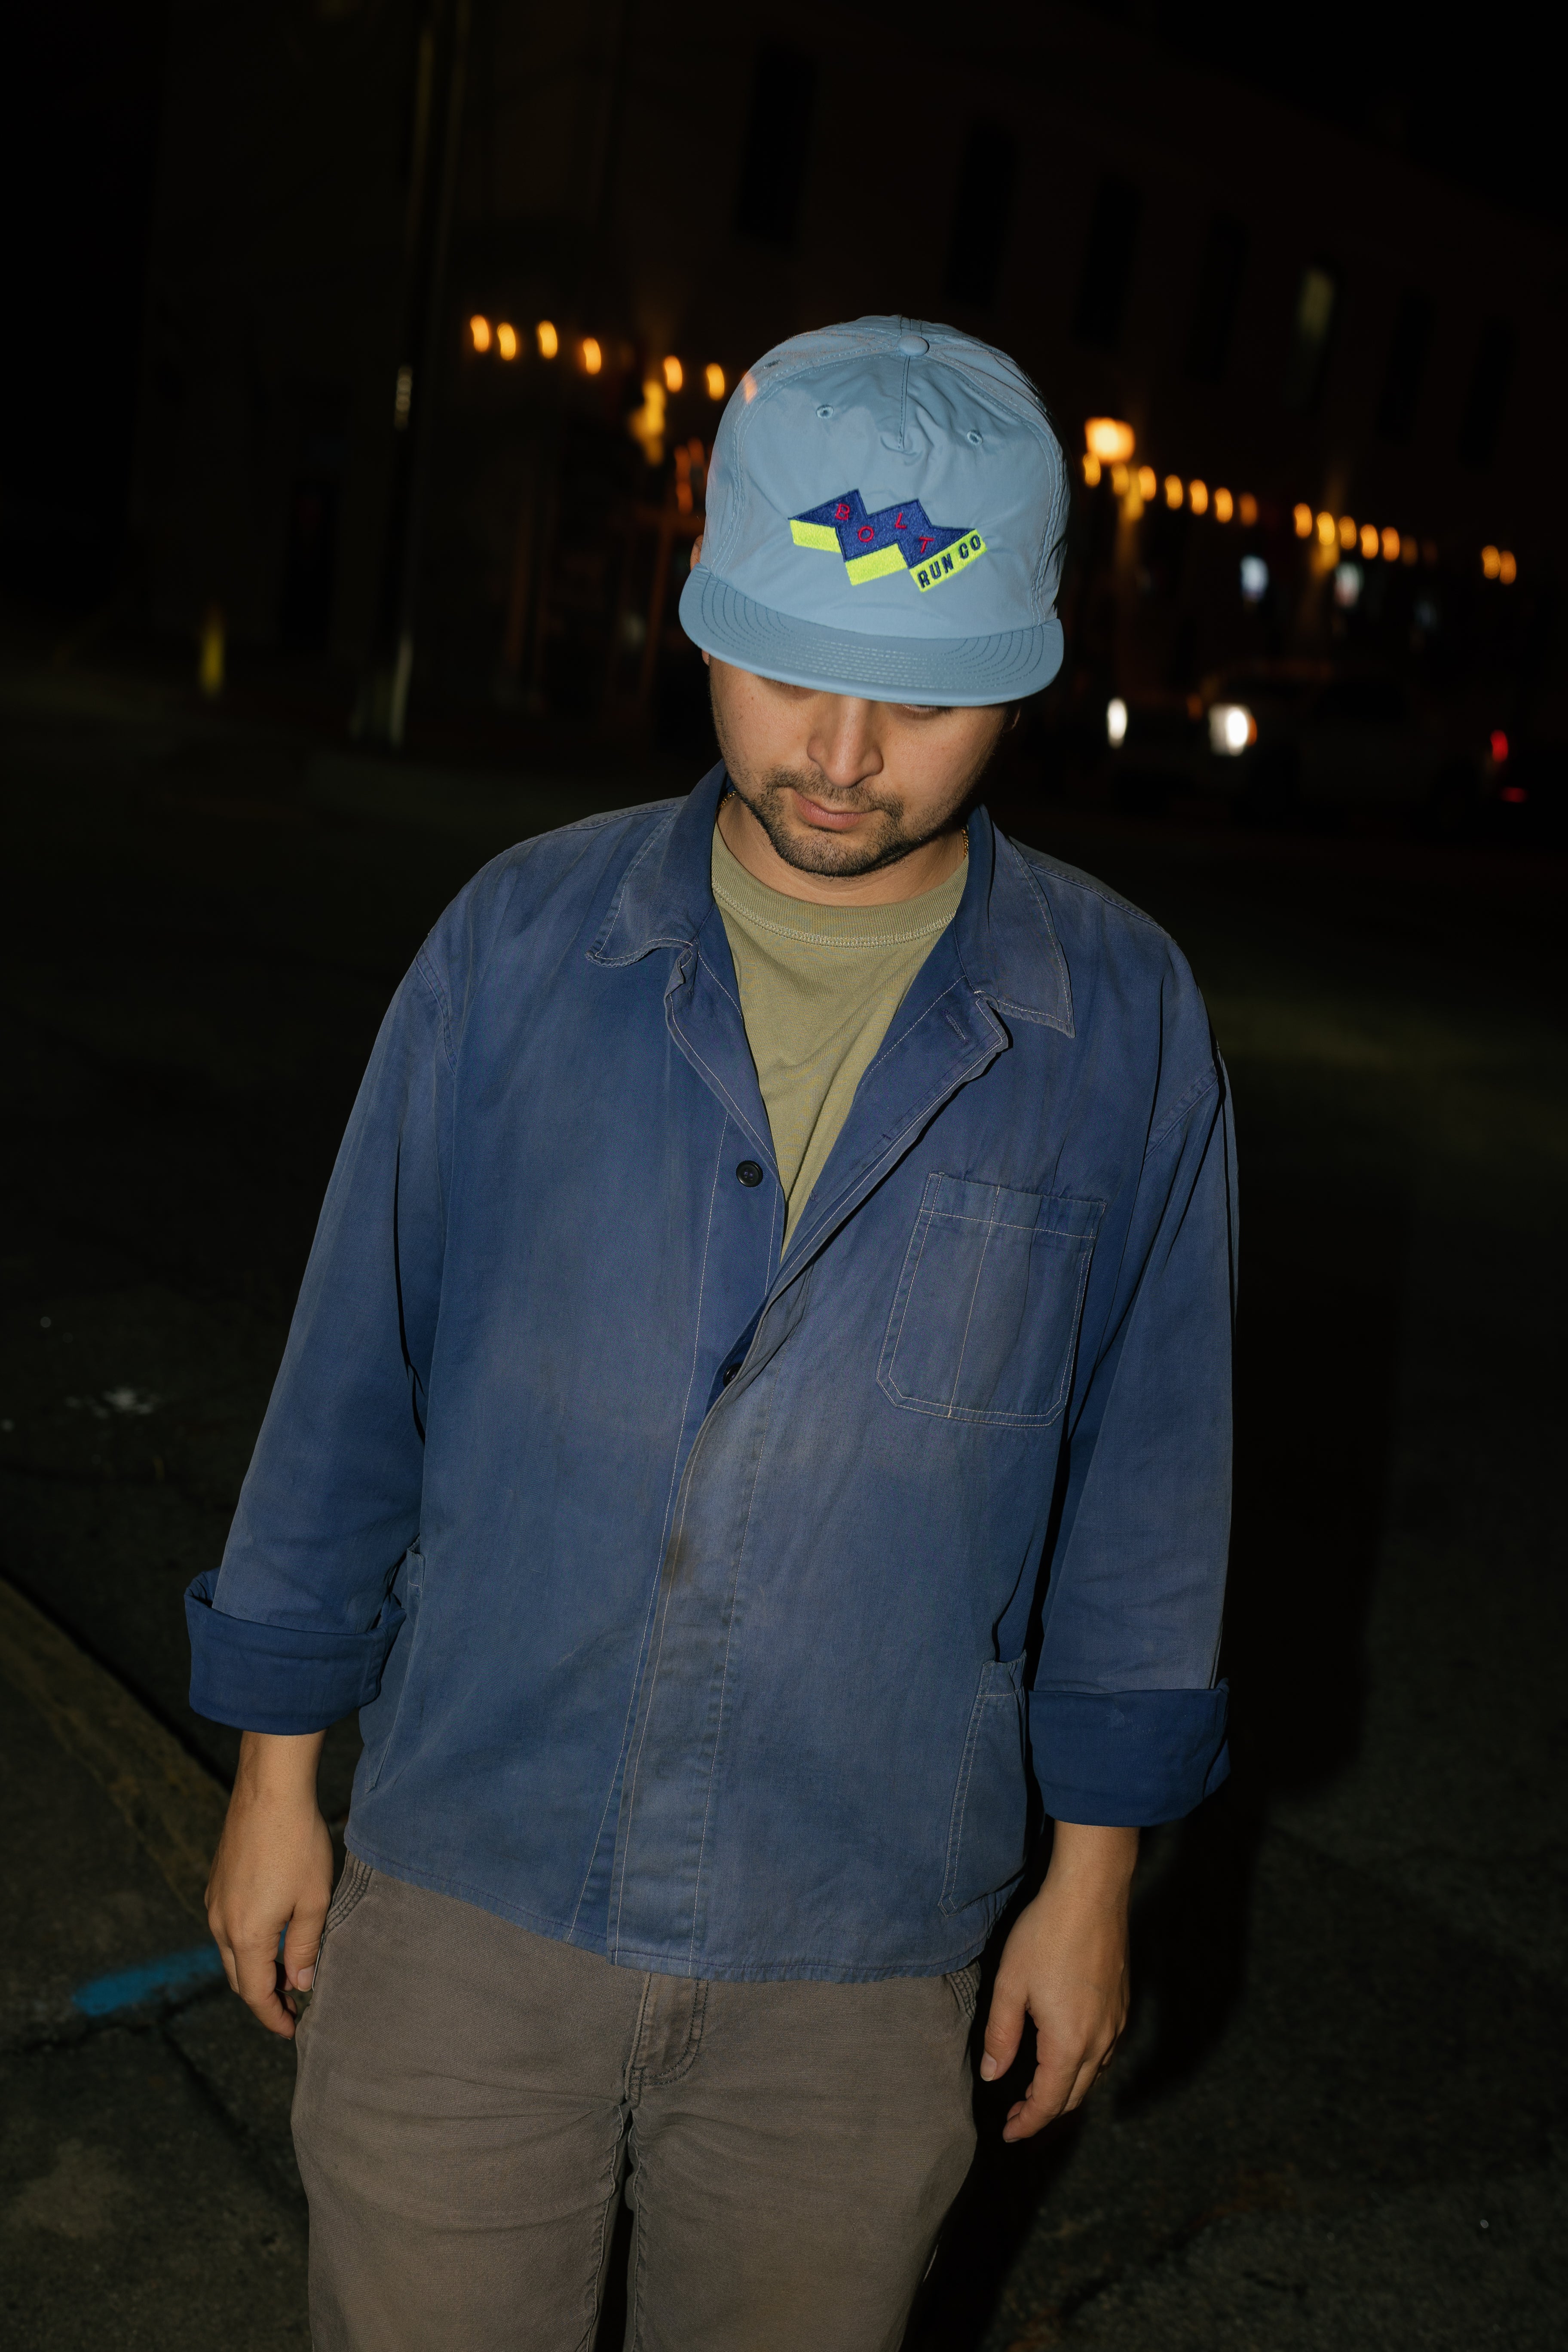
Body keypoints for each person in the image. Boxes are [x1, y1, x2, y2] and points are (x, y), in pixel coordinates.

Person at [191, 316, 1234, 2352]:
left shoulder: (1118, 1024)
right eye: (786, 671)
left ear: (1026, 673)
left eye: (920, 699)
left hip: (858, 1947)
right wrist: (274, 1776)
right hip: (471, 1884)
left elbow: (1150, 1485)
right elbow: (349, 1385)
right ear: (699, 622)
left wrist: (1093, 1882)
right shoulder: (519, 945)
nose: (840, 753)